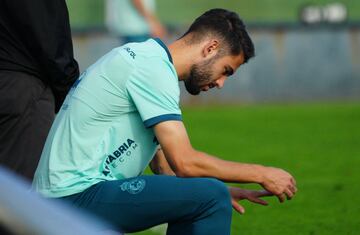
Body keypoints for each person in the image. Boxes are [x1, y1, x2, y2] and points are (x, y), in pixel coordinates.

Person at [33, 9, 297, 235]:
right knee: (211, 197)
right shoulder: (153, 69)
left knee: (211, 194)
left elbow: (163, 167)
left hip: (65, 198)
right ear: (211, 48)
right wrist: (261, 173)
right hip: (73, 199)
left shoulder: (147, 60)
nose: (220, 83)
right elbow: (185, 164)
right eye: (226, 70)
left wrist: (212, 188)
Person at [0, 0, 79, 180]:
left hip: (17, 84)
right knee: (20, 197)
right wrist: (70, 89)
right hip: (22, 87)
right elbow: (47, 32)